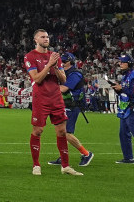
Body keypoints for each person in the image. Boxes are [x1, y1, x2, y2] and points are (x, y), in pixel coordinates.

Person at [22, 29, 81, 176]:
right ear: (35, 40)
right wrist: (49, 65)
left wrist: (55, 66)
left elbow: (63, 80)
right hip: (40, 99)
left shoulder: (55, 56)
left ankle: (65, 166)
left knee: (62, 131)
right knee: (38, 130)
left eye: (47, 36)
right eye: (42, 37)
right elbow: (36, 79)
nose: (46, 39)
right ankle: (36, 165)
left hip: (56, 98)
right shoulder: (30, 56)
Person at [48, 53, 94, 167]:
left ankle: (86, 153)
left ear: (71, 62)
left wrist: (47, 89)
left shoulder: (75, 74)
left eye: (64, 60)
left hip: (72, 106)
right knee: (60, 132)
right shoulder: (66, 72)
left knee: (66, 133)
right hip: (65, 105)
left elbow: (63, 88)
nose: (62, 62)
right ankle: (63, 156)